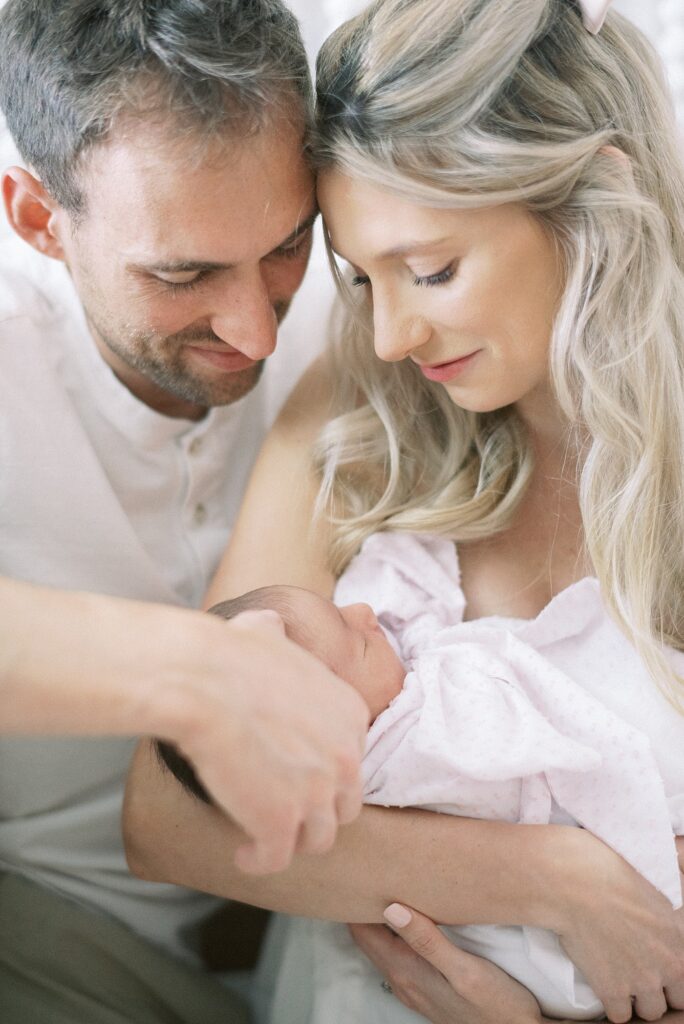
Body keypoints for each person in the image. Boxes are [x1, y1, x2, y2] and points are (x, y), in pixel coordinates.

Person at [124, 0, 684, 1022]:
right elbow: (169, 813)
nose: (389, 335)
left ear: (599, 199)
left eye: (429, 269)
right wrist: (560, 879)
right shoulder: (358, 412)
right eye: (361, 275)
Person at [0, 1, 372, 1022]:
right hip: (67, 928)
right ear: (38, 218)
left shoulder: (368, 283)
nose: (254, 329)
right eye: (182, 274)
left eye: (288, 245)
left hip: (346, 912)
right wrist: (195, 673)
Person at [157, 538, 684, 1021]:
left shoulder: (373, 695)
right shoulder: (410, 752)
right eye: (357, 642)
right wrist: (634, 857)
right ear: (340, 736)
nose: (365, 614)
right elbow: (524, 764)